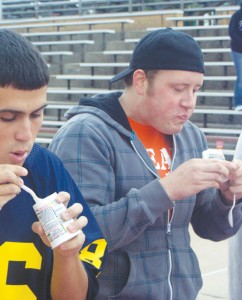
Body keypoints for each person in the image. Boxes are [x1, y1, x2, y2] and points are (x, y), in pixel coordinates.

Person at [49, 28, 242, 300]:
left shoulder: (191, 136)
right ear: (140, 81)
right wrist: (165, 191)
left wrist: (228, 197)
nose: (189, 103)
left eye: (196, 90)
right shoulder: (86, 134)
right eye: (178, 89)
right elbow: (80, 235)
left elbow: (211, 229)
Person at [0, 29, 107, 300]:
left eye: (36, 114)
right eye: (7, 117)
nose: (26, 134)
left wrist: (67, 255)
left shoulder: (42, 165)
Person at [229, 2, 242, 111]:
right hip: (238, 51)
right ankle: (238, 103)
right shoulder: (237, 16)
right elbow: (232, 32)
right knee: (241, 77)